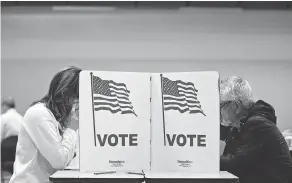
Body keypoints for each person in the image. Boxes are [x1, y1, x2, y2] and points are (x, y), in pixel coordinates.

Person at [9, 67, 82, 183]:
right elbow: (59, 161)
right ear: (64, 95)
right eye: (77, 99)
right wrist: (72, 128)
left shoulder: (60, 116)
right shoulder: (40, 114)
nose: (78, 105)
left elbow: (73, 155)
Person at [220, 76, 292, 183]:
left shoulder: (258, 125)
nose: (218, 111)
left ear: (236, 106)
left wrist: (202, 161)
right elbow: (215, 132)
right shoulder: (240, 126)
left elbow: (235, 164)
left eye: (221, 105)